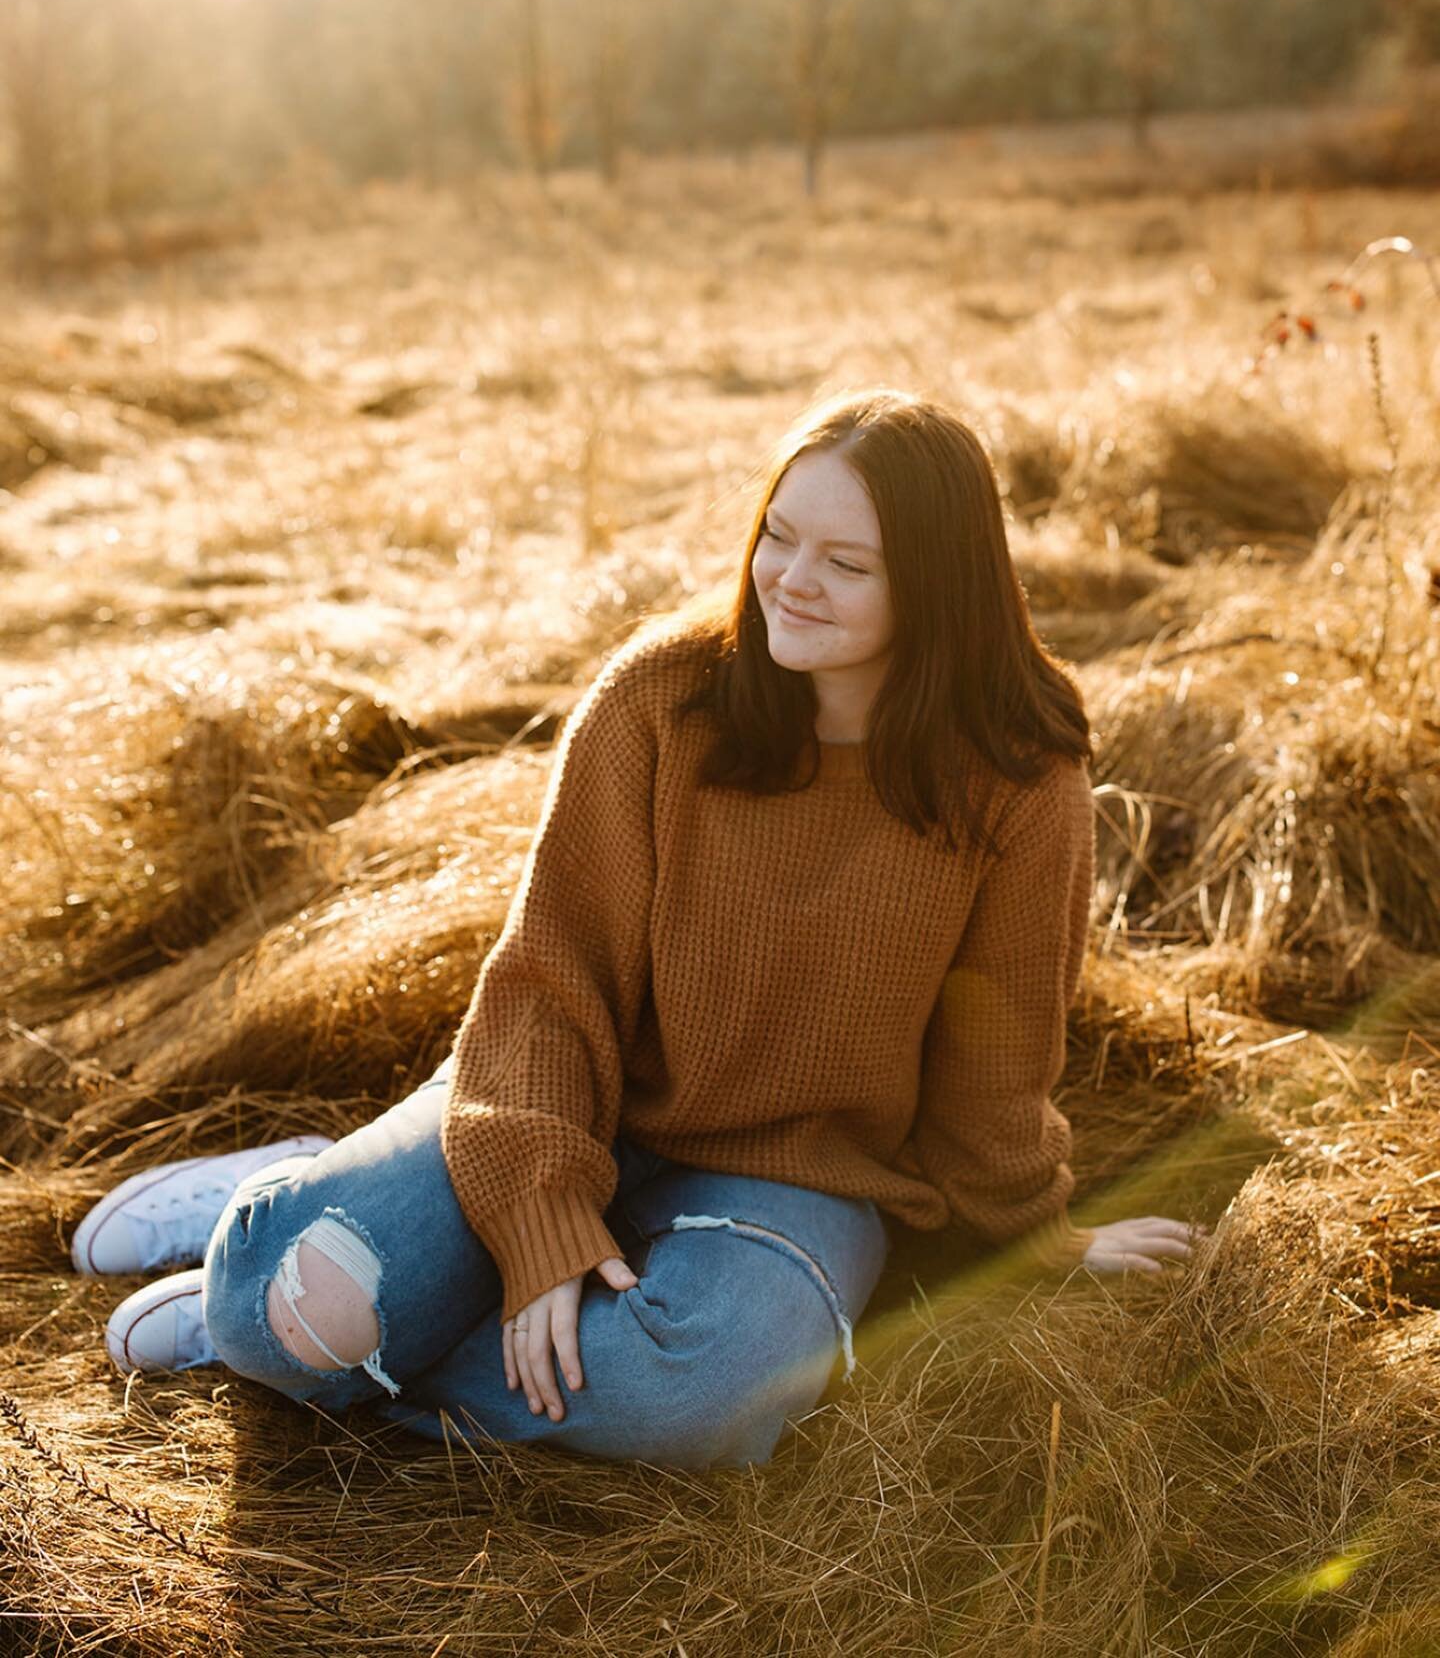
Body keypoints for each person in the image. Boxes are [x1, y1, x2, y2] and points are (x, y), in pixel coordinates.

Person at [75, 387, 1204, 1472]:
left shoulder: (1017, 776)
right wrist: (543, 1218)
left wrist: (1033, 1235)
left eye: (847, 564)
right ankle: (289, 1240)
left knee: (695, 1391)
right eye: (779, 536)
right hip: (571, 1094)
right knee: (282, 1310)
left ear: (942, 591)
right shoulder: (662, 698)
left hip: (808, 1173)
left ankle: (351, 1342)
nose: (791, 583)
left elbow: (996, 1056)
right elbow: (551, 980)